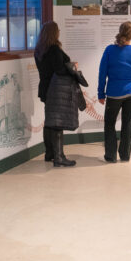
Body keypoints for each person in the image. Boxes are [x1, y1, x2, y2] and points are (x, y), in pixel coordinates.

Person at [34, 21, 86, 167]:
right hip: (56, 90)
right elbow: (59, 70)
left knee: (49, 121)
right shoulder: (54, 49)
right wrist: (72, 66)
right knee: (57, 123)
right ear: (54, 33)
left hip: (44, 88)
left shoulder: (39, 49)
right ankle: (59, 157)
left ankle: (49, 153)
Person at [97, 21, 131, 162]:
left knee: (109, 123)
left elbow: (102, 73)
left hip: (114, 93)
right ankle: (125, 155)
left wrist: (100, 94)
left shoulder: (109, 50)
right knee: (127, 122)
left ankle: (111, 156)